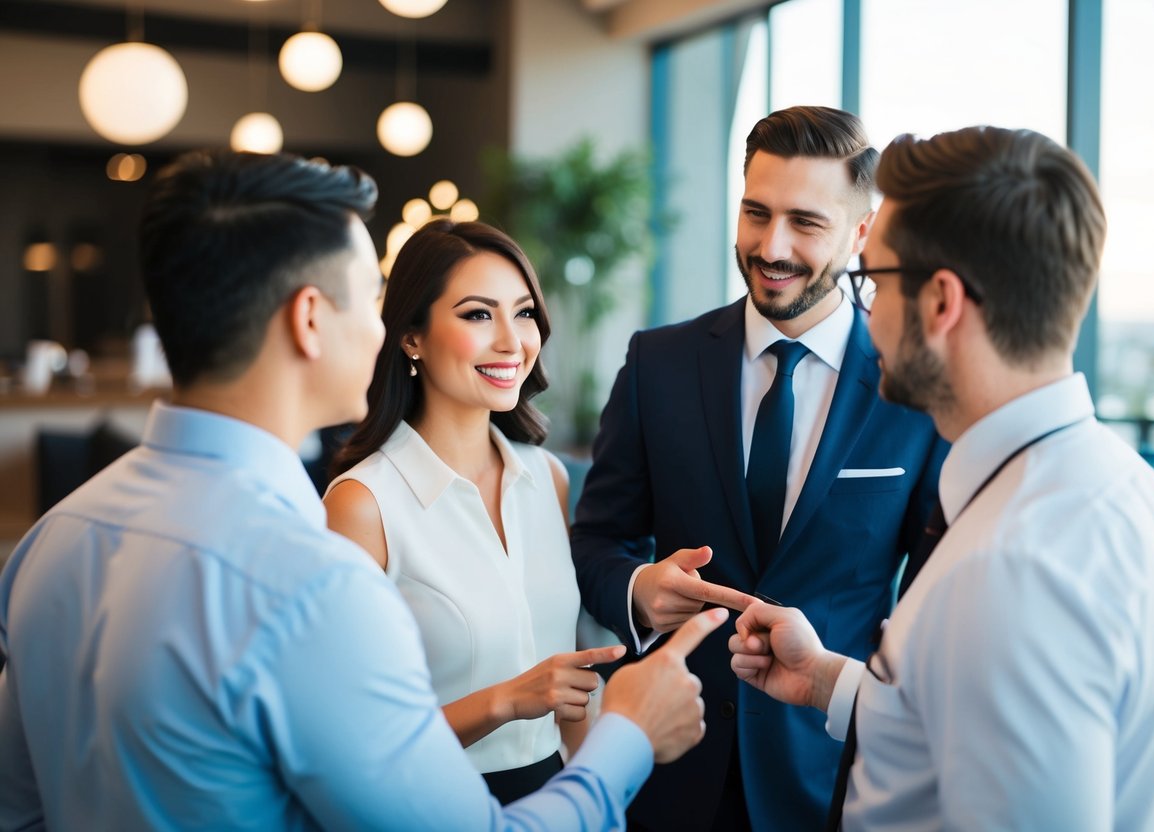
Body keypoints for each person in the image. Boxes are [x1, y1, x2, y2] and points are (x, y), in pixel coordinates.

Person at [0, 149, 725, 831]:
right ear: (310, 318)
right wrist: (629, 733)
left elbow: (19, 810)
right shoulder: (313, 582)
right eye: (370, 296)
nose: (380, 325)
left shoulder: (52, 540)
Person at [730, 125, 1154, 830]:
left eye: (871, 278)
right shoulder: (1136, 494)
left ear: (940, 302)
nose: (864, 313)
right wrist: (828, 682)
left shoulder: (1010, 566)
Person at [571, 105, 947, 830]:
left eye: (805, 223)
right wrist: (639, 587)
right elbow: (595, 541)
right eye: (755, 213)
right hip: (666, 760)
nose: (770, 246)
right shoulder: (659, 363)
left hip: (832, 771)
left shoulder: (914, 390)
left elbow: (931, 600)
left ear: (861, 234)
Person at [324, 220, 621, 803]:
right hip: (430, 805)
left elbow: (567, 690)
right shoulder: (363, 504)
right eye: (478, 315)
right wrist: (505, 700)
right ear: (412, 336)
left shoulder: (547, 478)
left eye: (525, 313)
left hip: (555, 796)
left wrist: (600, 801)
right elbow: (346, 740)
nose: (513, 341)